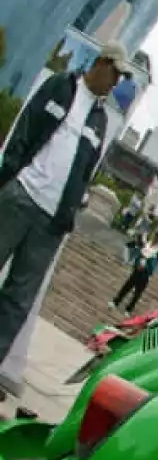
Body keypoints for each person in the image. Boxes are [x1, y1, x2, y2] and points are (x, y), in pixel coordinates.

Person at [0, 42, 130, 373]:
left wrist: (68, 214)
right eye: (115, 73)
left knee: (17, 300)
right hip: (20, 197)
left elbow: (85, 172)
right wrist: (9, 179)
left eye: (121, 77)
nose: (116, 82)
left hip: (50, 223)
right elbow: (25, 128)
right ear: (100, 63)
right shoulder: (60, 86)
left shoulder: (99, 120)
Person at [111, 229, 158, 315]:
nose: (156, 238)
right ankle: (116, 302)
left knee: (137, 293)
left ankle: (128, 309)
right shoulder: (147, 244)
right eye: (155, 236)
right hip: (137, 270)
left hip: (145, 274)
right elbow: (138, 255)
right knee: (127, 286)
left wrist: (146, 265)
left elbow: (154, 266)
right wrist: (137, 264)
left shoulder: (157, 252)